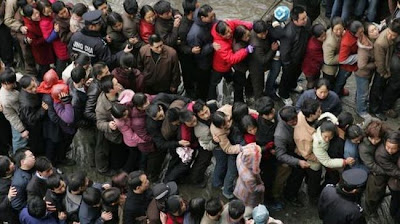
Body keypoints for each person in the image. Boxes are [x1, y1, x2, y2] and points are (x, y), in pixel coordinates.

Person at [272, 5, 311, 106]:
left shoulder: (306, 23)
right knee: (286, 78)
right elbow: (285, 52)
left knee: (296, 74)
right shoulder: (288, 32)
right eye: (302, 19)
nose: (305, 20)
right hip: (290, 61)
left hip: (301, 57)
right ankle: (283, 94)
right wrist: (287, 64)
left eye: (305, 17)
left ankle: (293, 85)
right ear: (295, 20)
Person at [209, 19, 253, 100]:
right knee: (214, 83)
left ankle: (230, 85)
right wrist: (245, 51)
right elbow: (231, 59)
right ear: (220, 35)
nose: (230, 34)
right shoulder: (220, 45)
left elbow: (237, 22)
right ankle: (211, 99)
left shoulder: (228, 24)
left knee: (230, 77)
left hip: (228, 66)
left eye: (229, 31)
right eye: (226, 34)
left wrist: (249, 25)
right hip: (220, 67)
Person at [370, 18, 400, 120]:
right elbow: (379, 62)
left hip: (387, 63)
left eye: (393, 35)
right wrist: (384, 73)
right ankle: (374, 109)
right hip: (382, 68)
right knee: (377, 88)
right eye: (390, 33)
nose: (390, 36)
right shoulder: (380, 43)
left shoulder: (392, 36)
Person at [187, 4, 216, 100]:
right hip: (203, 63)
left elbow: (215, 21)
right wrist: (211, 46)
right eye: (211, 17)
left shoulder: (208, 19)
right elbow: (198, 53)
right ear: (203, 18)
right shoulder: (195, 34)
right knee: (203, 84)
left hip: (211, 55)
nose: (213, 18)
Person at [22, 4, 55, 79]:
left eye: (37, 12)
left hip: (47, 47)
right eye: (34, 15)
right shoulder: (29, 28)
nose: (37, 15)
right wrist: (46, 37)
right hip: (41, 52)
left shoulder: (41, 18)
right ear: (29, 17)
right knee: (44, 68)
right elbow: (34, 42)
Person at [248, 20, 278, 100]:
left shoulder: (258, 29)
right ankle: (259, 100)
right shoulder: (256, 45)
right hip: (256, 67)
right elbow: (263, 60)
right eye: (261, 34)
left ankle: (249, 92)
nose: (264, 35)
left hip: (256, 62)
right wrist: (272, 50)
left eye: (265, 32)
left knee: (251, 79)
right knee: (258, 85)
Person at [355, 23, 379, 120]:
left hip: (367, 73)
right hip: (362, 74)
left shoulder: (372, 41)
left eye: (375, 29)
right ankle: (361, 111)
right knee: (363, 93)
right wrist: (375, 65)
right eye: (372, 31)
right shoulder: (364, 48)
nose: (376, 31)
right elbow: (362, 65)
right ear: (367, 34)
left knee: (361, 91)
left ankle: (358, 102)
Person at [0, 70, 28, 152]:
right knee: (19, 139)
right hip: (17, 116)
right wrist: (21, 130)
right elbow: (12, 116)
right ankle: (18, 157)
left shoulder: (19, 78)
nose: (4, 86)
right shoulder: (5, 99)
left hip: (24, 111)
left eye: (7, 84)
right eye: (3, 84)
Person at [18, 75, 47, 155]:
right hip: (33, 126)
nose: (34, 89)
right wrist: (42, 110)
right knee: (36, 142)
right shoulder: (26, 104)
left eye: (34, 86)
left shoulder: (34, 82)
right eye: (30, 89)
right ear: (24, 89)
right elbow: (32, 118)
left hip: (37, 114)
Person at [178, 0, 200, 99]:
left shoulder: (197, 19)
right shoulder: (183, 27)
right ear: (191, 12)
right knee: (189, 78)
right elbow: (181, 46)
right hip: (187, 58)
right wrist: (191, 50)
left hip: (197, 56)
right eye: (197, 6)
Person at [336, 20, 363, 96]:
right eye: (360, 33)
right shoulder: (347, 42)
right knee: (340, 81)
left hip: (352, 62)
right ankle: (336, 95)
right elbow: (343, 60)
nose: (362, 34)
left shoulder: (352, 34)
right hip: (346, 67)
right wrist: (359, 56)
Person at [233, 144, 265, 208]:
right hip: (247, 194)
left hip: (240, 185)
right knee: (248, 205)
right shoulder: (249, 178)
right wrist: (262, 187)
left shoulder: (241, 157)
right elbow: (253, 189)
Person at [301, 24, 326, 89]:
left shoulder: (315, 40)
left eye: (324, 35)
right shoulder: (313, 47)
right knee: (311, 82)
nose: (324, 38)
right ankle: (309, 93)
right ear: (316, 37)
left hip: (315, 67)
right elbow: (321, 58)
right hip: (310, 68)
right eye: (321, 37)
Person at [321, 17, 344, 88]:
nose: (339, 31)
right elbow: (328, 60)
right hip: (329, 69)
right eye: (336, 30)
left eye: (340, 29)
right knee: (328, 84)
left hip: (334, 66)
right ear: (332, 28)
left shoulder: (337, 35)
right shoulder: (330, 43)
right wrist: (344, 56)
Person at [11, 148, 35, 212]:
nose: (34, 157)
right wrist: (35, 204)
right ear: (23, 162)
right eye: (31, 156)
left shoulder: (34, 166)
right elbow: (16, 204)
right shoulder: (19, 182)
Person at [0, 156, 18, 224]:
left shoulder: (15, 169)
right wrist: (8, 197)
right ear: (7, 171)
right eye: (10, 164)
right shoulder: (2, 188)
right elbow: (2, 207)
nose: (13, 163)